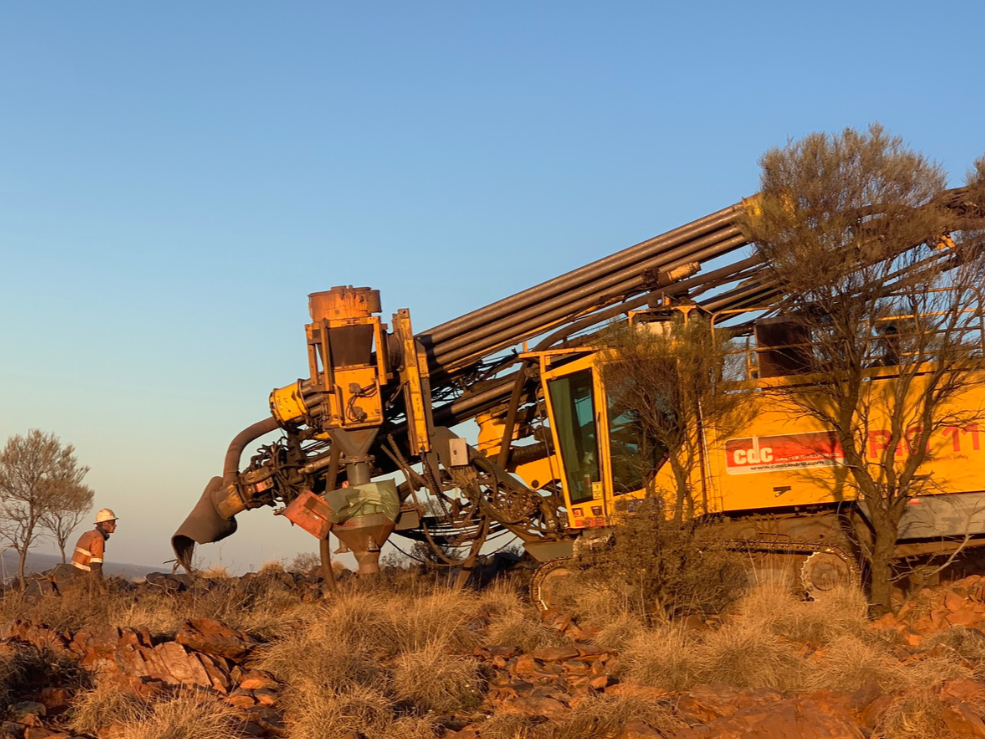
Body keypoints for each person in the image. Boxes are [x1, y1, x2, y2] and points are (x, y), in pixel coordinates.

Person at [70, 508, 118, 579]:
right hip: (83, 578)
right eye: (113, 522)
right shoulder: (98, 538)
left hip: (74, 575)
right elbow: (96, 566)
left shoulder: (88, 534)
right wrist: (100, 586)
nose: (115, 526)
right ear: (105, 523)